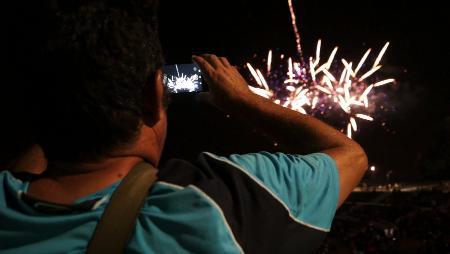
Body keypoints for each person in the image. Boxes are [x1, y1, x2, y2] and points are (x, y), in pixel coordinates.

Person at [0, 0, 367, 253]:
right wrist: (244, 100)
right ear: (154, 96)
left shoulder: (6, 200)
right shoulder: (214, 201)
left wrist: (72, 92)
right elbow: (350, 156)